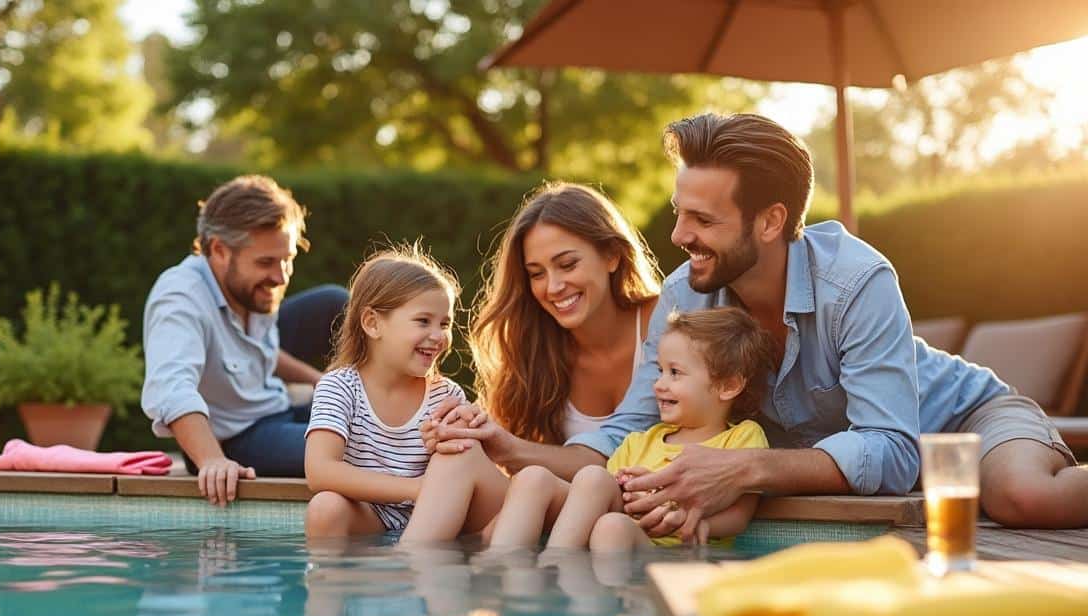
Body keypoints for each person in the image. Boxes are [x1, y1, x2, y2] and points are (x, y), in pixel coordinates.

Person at [603, 112, 1087, 534]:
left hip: (963, 422)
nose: (678, 235)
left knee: (1023, 497)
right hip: (886, 471)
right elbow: (631, 426)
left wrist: (744, 467)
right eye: (678, 213)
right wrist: (525, 455)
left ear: (770, 222)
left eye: (703, 220)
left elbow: (892, 447)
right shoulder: (686, 293)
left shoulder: (855, 281)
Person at [412, 182, 666, 530]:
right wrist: (466, 434)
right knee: (459, 455)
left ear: (611, 255)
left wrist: (510, 449)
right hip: (571, 518)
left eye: (567, 264)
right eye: (536, 274)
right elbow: (526, 470)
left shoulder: (665, 321)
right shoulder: (535, 348)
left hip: (644, 519)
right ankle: (411, 577)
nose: (553, 286)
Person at [488, 307, 774, 550]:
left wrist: (688, 518)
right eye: (660, 370)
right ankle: (504, 575)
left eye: (675, 373)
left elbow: (740, 516)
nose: (659, 384)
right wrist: (630, 494)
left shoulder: (742, 437)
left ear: (728, 385)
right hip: (613, 544)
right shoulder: (640, 442)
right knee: (536, 478)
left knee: (612, 527)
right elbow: (600, 498)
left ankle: (558, 571)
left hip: (671, 555)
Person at [141, 175, 347, 506]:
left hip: (276, 406)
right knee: (350, 447)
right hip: (234, 439)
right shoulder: (179, 299)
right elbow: (171, 389)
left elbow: (257, 353)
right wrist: (212, 460)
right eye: (266, 262)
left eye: (288, 259)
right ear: (219, 250)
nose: (281, 277)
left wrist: (321, 382)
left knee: (336, 303)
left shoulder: (251, 287)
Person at [304, 245, 486, 541]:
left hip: (433, 520)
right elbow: (320, 470)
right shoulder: (340, 386)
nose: (438, 336)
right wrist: (416, 488)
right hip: (369, 514)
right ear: (373, 323)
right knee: (325, 508)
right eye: (423, 321)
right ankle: (335, 586)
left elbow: (465, 469)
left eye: (445, 324)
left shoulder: (445, 395)